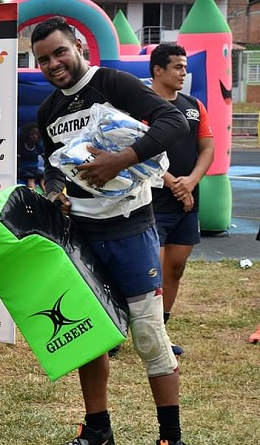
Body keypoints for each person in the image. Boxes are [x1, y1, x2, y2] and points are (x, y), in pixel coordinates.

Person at [31, 17, 189, 445]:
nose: (53, 63)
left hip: (131, 231)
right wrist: (56, 190)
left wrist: (118, 161)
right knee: (91, 335)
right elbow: (50, 167)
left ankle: (170, 437)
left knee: (149, 337)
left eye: (60, 52)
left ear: (79, 45)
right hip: (81, 235)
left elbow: (174, 123)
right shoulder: (49, 110)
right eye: (42, 58)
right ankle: (98, 429)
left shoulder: (113, 82)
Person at [149, 43, 215, 357]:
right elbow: (133, 148)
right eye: (177, 67)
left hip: (187, 201)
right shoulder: (141, 105)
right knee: (149, 271)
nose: (184, 73)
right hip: (150, 202)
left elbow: (207, 149)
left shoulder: (193, 105)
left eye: (186, 67)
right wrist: (171, 181)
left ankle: (159, 333)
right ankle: (121, 331)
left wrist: (190, 182)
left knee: (174, 268)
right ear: (158, 69)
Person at [17, 122, 45, 190]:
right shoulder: (20, 147)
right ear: (26, 135)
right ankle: (33, 194)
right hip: (23, 168)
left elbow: (45, 157)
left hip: (34, 168)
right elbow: (16, 160)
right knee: (31, 178)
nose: (35, 136)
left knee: (43, 177)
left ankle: (47, 194)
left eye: (36, 134)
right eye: (32, 134)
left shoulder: (39, 146)